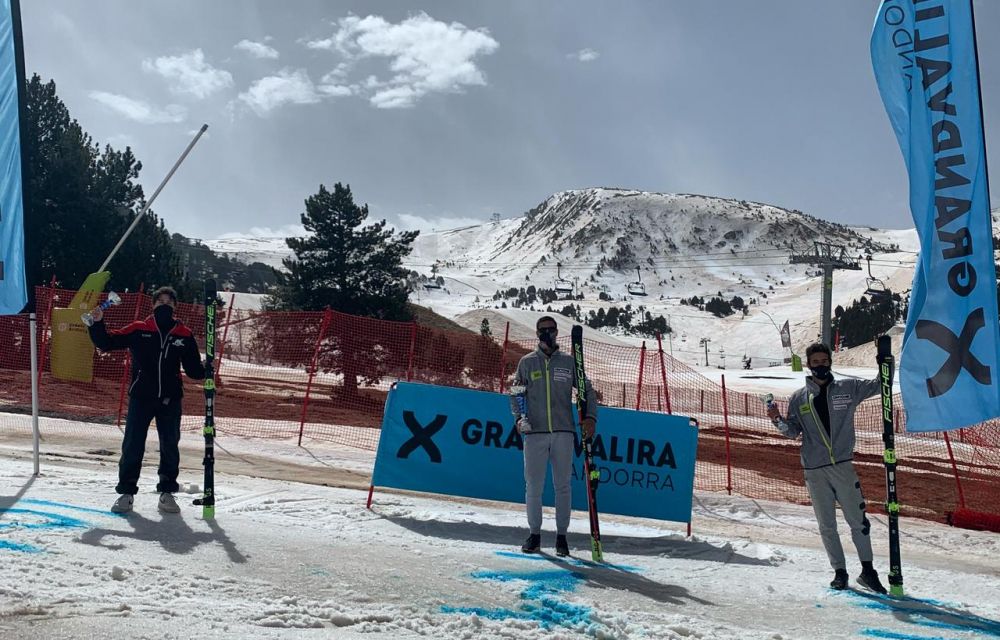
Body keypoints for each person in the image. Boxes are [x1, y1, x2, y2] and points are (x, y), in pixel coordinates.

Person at [766, 342, 888, 593]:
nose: (820, 366)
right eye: (815, 362)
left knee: (858, 521)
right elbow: (792, 432)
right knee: (827, 525)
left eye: (824, 361)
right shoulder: (799, 398)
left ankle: (868, 571)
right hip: (814, 470)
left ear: (830, 362)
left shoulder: (849, 388)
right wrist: (777, 419)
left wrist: (885, 360)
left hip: (842, 466)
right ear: (808, 365)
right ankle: (839, 572)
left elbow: (881, 384)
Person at [87, 286, 205, 514]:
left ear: (175, 307)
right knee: (133, 444)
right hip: (141, 396)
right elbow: (106, 342)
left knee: (170, 446)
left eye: (168, 302)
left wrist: (206, 369)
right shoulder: (139, 329)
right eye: (160, 302)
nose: (164, 305)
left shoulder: (183, 334)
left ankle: (167, 493)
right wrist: (97, 323)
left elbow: (193, 370)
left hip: (170, 398)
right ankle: (126, 493)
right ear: (153, 305)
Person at [510, 316, 598, 557]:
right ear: (537, 333)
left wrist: (590, 417)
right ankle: (534, 535)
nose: (546, 333)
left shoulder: (569, 362)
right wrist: (518, 419)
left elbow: (587, 390)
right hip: (535, 432)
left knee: (563, 486)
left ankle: (562, 537)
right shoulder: (527, 362)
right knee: (533, 486)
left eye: (550, 329)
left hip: (563, 432)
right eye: (542, 330)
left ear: (557, 332)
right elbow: (516, 393)